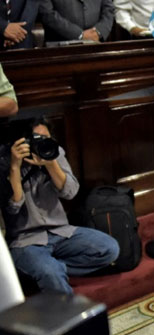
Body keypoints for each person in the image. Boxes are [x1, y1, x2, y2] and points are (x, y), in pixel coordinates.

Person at [0, 118, 119, 295]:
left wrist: (51, 162)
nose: (42, 143)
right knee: (50, 272)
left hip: (61, 231)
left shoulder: (54, 152)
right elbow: (13, 207)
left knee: (109, 249)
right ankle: (69, 311)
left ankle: (48, 271)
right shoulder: (4, 161)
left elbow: (70, 192)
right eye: (35, 139)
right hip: (25, 240)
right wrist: (15, 168)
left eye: (46, 138)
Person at [39, 0, 115, 43]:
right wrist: (80, 35)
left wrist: (98, 32)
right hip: (60, 48)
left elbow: (109, 9)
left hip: (96, 45)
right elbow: (47, 13)